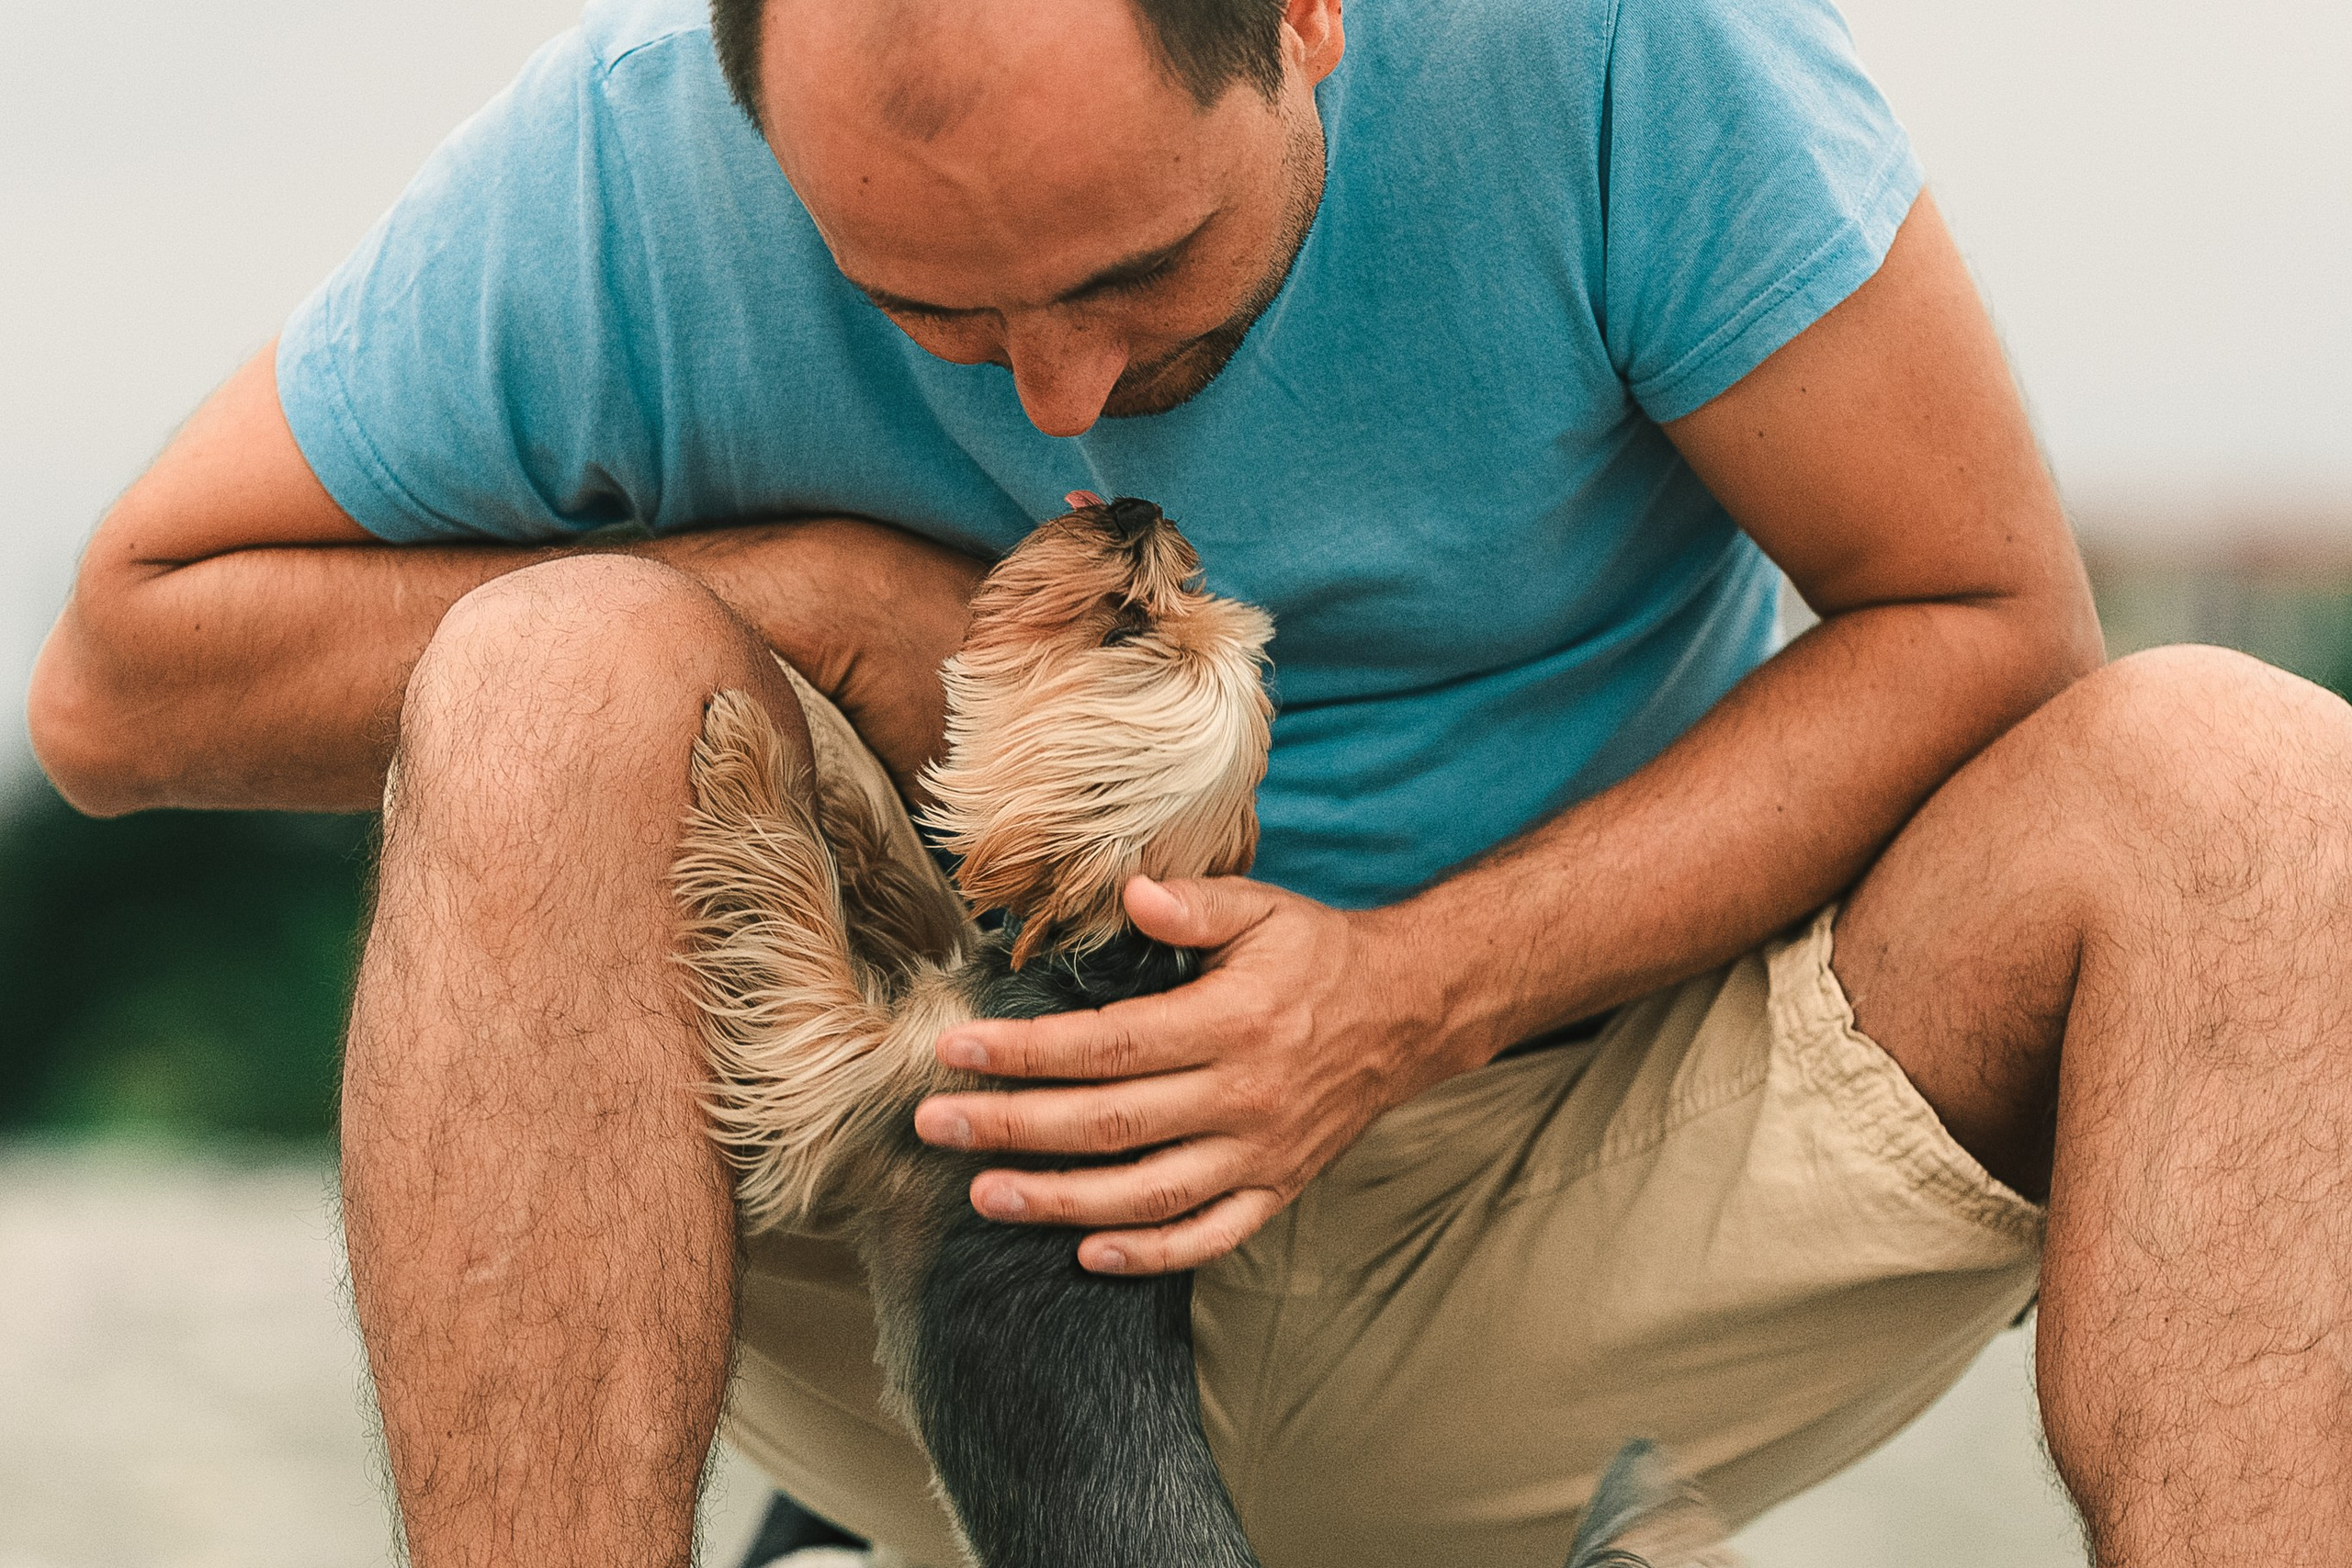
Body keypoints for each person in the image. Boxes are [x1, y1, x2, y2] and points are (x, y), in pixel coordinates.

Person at [27, 0, 2352, 1561]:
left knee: (2244, 773)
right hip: (928, 1218)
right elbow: (117, 689)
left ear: (1307, 19)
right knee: (544, 663)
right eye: (929, 313)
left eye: (1144, 274)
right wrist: (823, 589)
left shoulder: (1623, 54)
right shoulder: (623, 167)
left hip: (1562, 1185)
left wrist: (1415, 984)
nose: (1060, 404)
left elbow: (1980, 615)